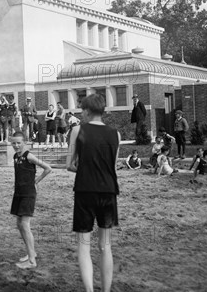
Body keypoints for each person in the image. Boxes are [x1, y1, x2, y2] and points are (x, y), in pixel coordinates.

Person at [66, 94, 120, 292]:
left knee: (83, 245)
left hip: (85, 190)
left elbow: (69, 165)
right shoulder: (115, 133)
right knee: (105, 246)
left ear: (87, 111)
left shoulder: (77, 130)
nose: (81, 113)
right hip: (108, 191)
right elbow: (112, 167)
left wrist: (84, 166)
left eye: (82, 110)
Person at [10, 131, 52, 269]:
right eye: (14, 143)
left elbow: (47, 168)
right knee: (19, 223)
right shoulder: (15, 156)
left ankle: (32, 261)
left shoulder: (29, 156)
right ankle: (30, 252)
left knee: (25, 224)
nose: (16, 145)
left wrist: (36, 181)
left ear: (25, 143)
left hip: (28, 194)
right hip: (18, 193)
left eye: (19, 143)